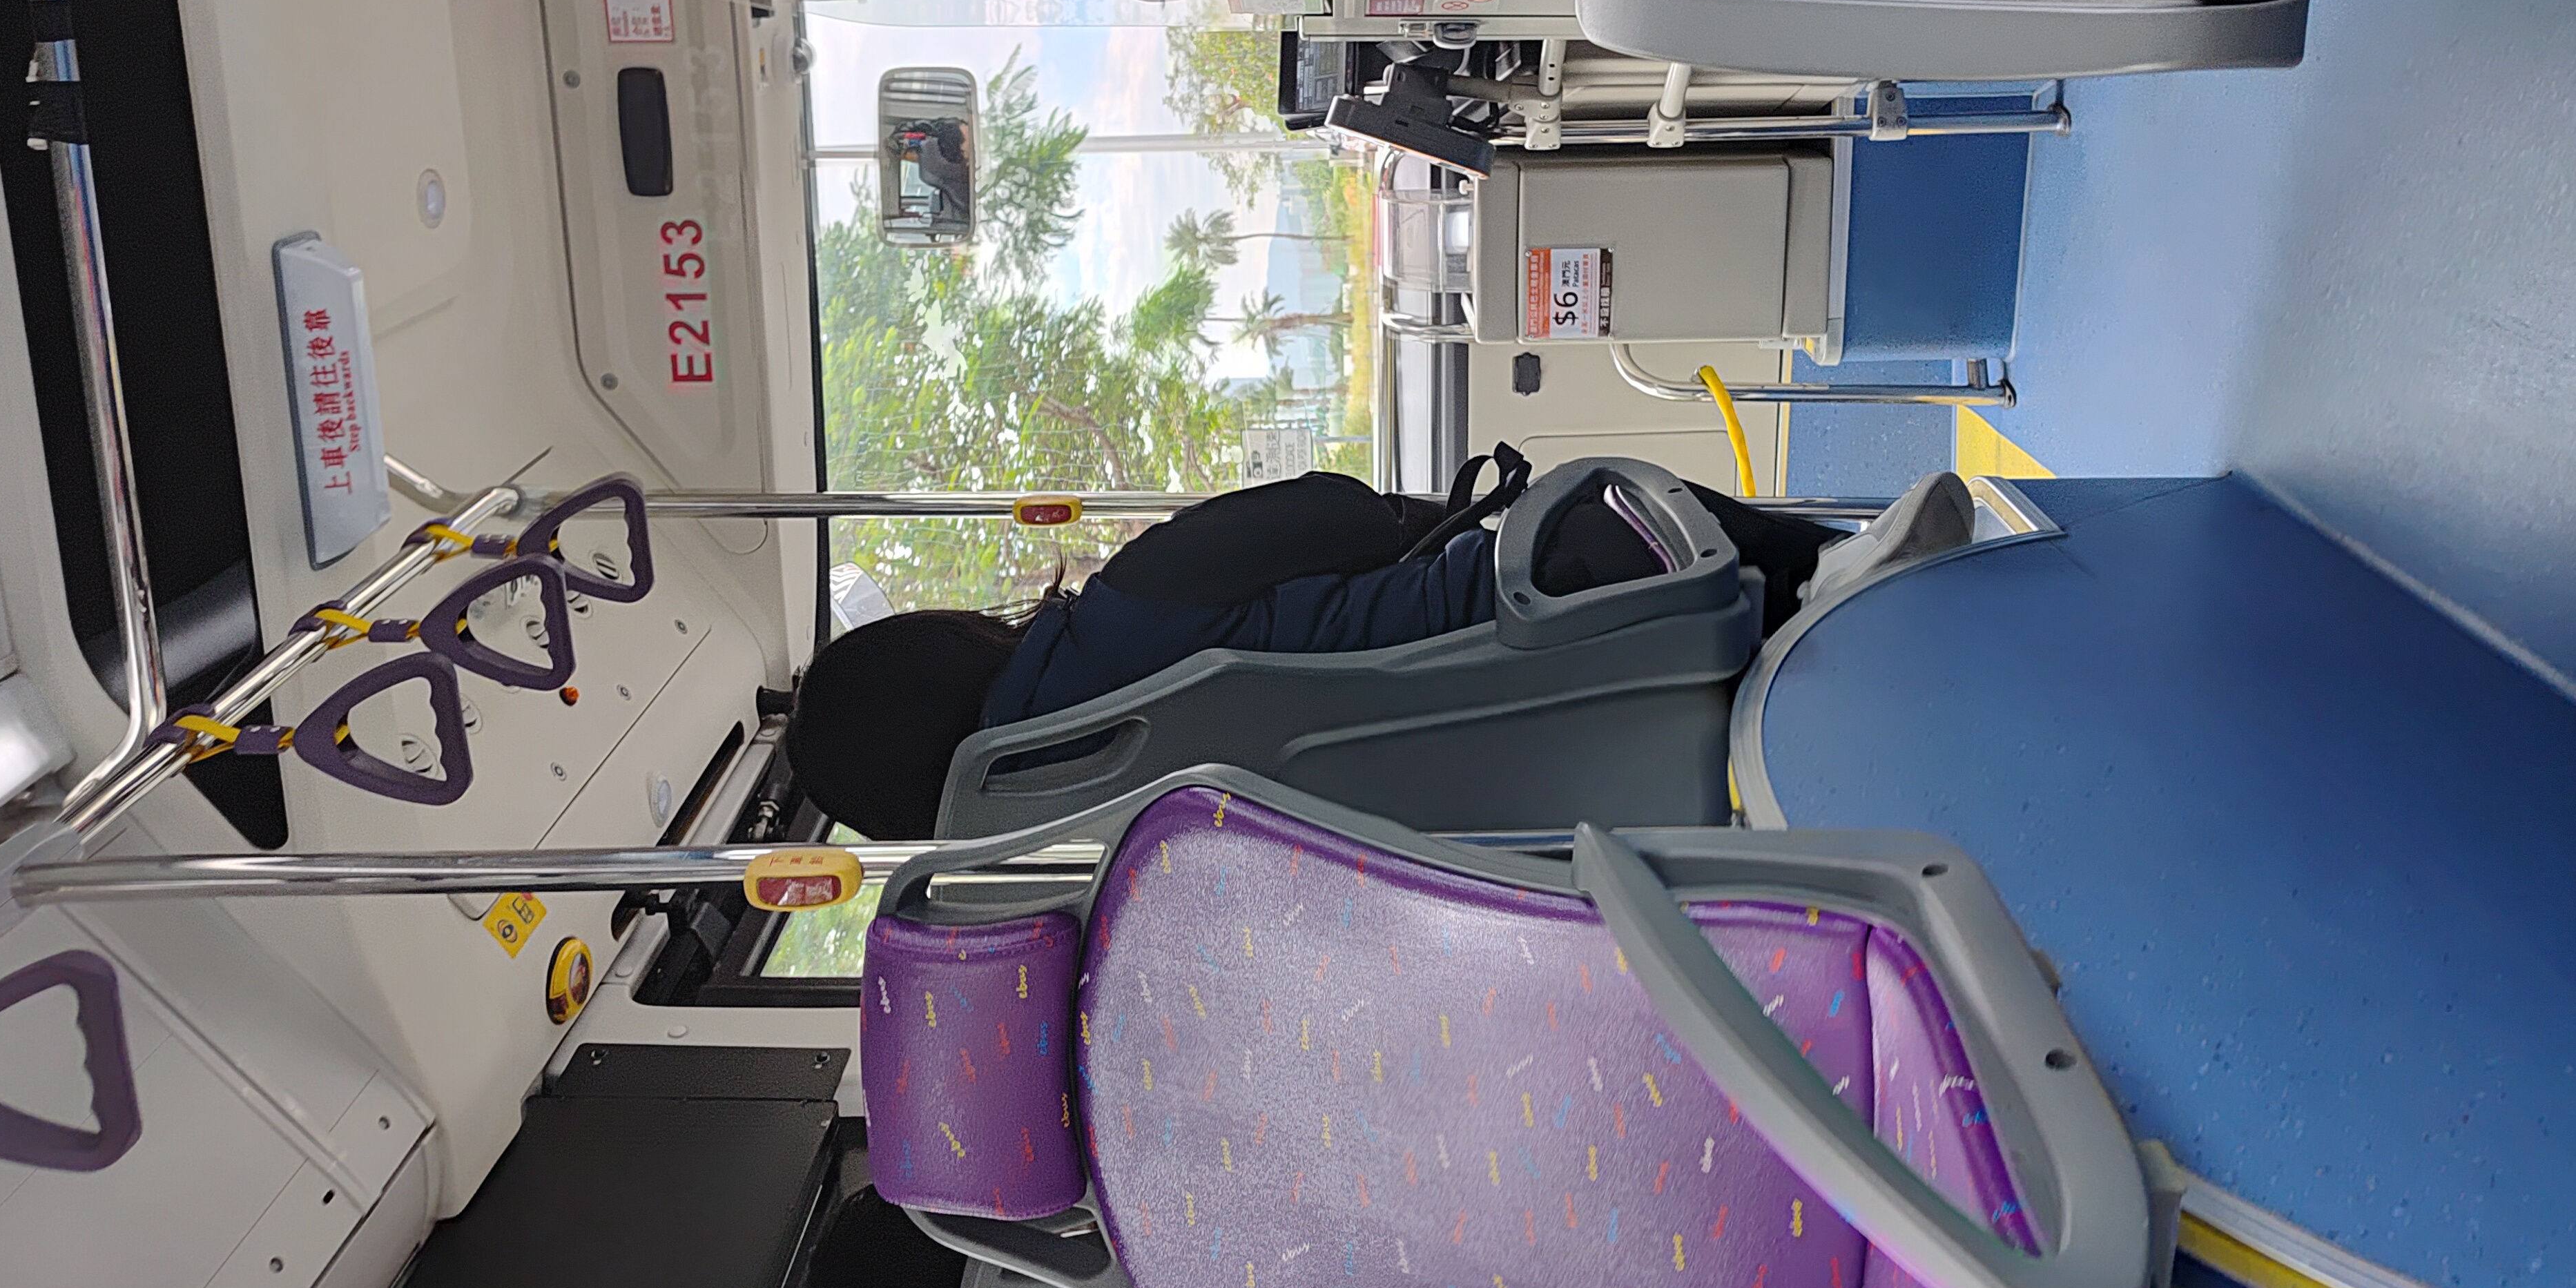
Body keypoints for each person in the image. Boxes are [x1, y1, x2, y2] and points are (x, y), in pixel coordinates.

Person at [781, 458, 1917, 841]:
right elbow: (1343, 515)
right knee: (1580, 502)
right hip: (1566, 614)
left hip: (1527, 812)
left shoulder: (1102, 831)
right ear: (936, 643)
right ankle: (1832, 573)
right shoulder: (1130, 609)